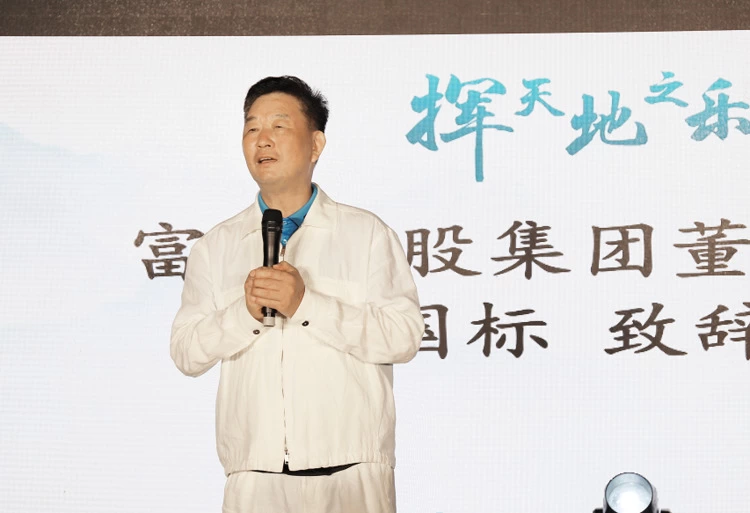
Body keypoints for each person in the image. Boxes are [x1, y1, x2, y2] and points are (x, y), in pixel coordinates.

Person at [170, 75, 424, 513]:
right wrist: (244, 314)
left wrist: (308, 305)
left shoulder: (365, 234)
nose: (262, 139)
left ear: (316, 144)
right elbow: (186, 352)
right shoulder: (216, 245)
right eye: (252, 128)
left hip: (352, 474)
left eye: (279, 126)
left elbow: (403, 336)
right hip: (256, 478)